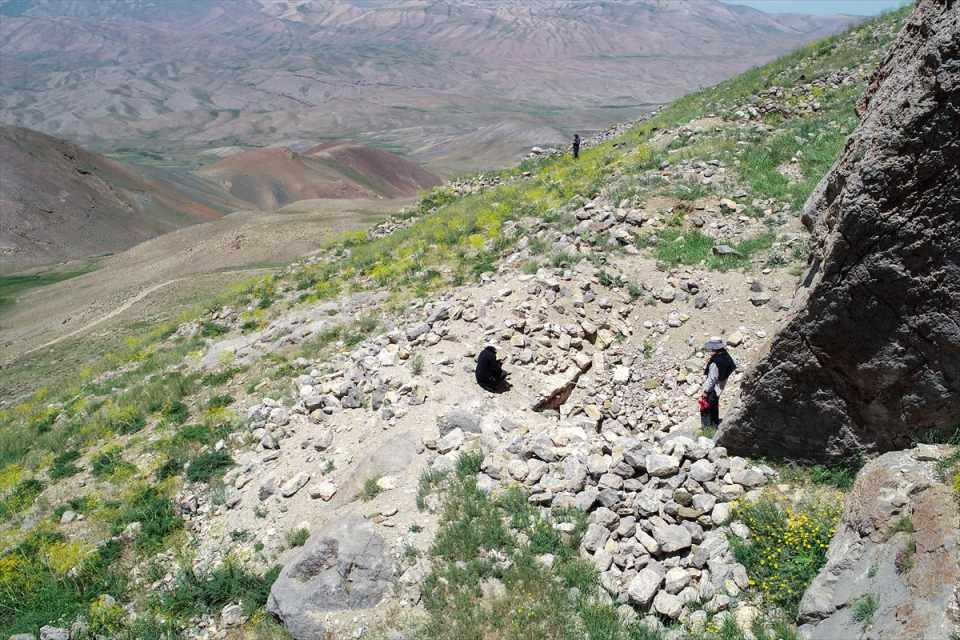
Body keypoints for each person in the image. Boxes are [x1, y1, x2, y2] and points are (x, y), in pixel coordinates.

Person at [700, 337, 736, 428]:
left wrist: (705, 391)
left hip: (714, 388)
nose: (710, 351)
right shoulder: (725, 355)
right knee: (714, 406)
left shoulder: (715, 363)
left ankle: (708, 427)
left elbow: (712, 379)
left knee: (707, 408)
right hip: (721, 386)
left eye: (712, 349)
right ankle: (715, 424)